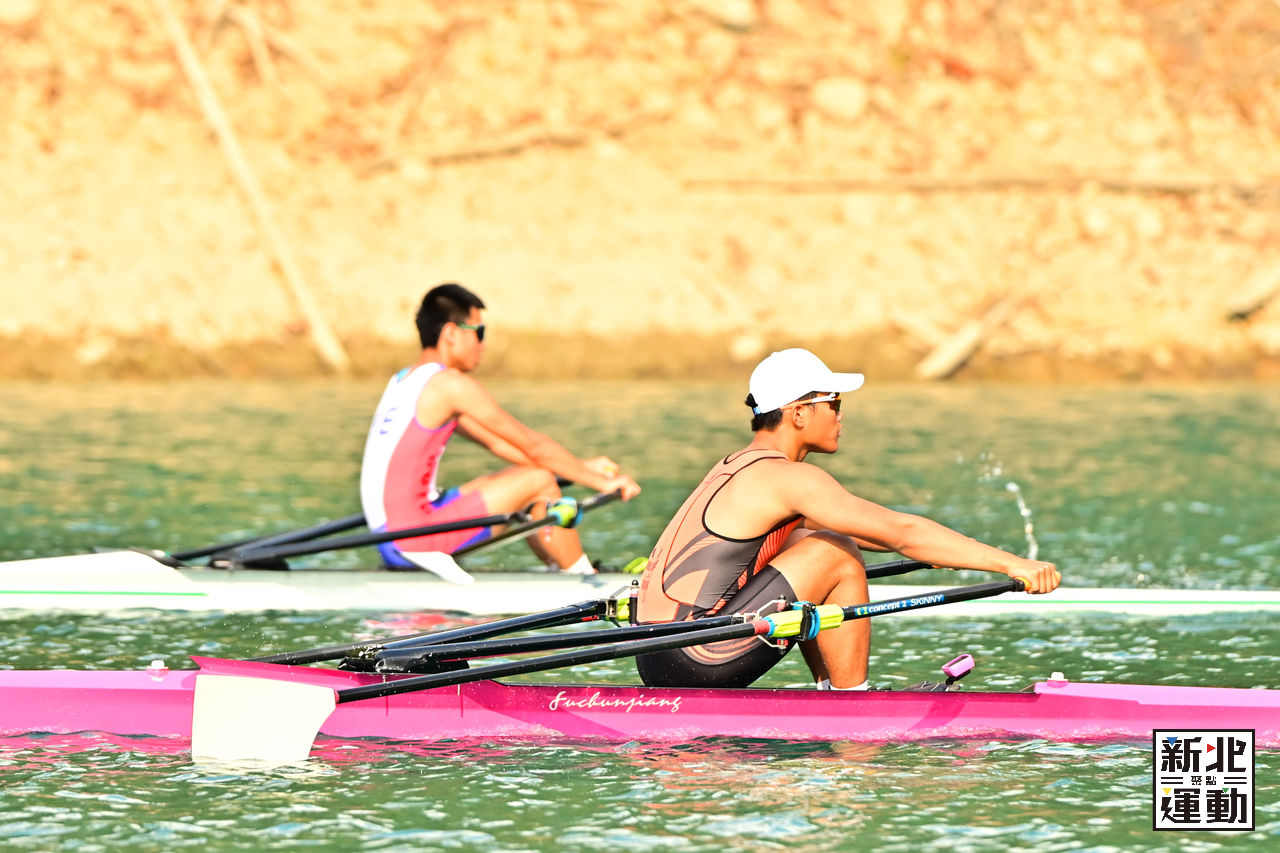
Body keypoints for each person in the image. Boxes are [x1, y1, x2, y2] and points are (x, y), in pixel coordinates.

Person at [634, 348, 1060, 689]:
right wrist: (1013, 565)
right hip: (698, 655)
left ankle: (831, 694)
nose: (840, 415)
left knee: (814, 539)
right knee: (835, 551)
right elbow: (903, 533)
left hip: (657, 654)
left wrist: (949, 553)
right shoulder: (788, 478)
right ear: (799, 413)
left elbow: (883, 536)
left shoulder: (739, 465)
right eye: (833, 403)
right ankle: (851, 700)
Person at [360, 282, 641, 574]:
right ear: (451, 333)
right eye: (479, 332)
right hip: (411, 541)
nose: (483, 344)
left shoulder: (405, 379)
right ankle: (582, 579)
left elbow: (500, 444)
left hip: (390, 535)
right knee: (539, 480)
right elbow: (531, 444)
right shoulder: (450, 386)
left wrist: (579, 468)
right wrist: (602, 483)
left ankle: (561, 572)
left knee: (525, 476)